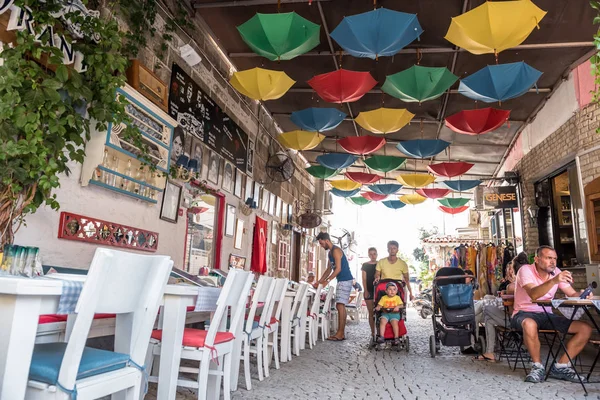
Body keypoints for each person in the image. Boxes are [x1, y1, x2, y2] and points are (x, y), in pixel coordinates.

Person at [513, 245, 592, 383]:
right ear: (537, 259)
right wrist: (555, 280)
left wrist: (583, 294)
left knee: (585, 329)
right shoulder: (525, 270)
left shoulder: (556, 272)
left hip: (546, 314)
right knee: (529, 324)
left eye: (554, 258)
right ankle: (537, 367)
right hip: (523, 313)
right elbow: (534, 294)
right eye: (549, 258)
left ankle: (561, 366)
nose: (553, 262)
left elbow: (572, 294)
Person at [474, 261, 517, 363]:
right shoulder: (512, 284)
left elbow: (509, 304)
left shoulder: (514, 285)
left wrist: (506, 292)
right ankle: (489, 353)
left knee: (485, 305)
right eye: (509, 268)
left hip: (516, 320)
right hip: (510, 315)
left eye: (512, 269)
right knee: (488, 319)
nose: (510, 271)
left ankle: (468, 316)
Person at [315, 232, 354, 341]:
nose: (321, 245)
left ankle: (340, 333)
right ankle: (340, 332)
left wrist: (327, 281)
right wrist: (319, 281)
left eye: (321, 243)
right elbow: (329, 269)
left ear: (327, 240)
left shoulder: (336, 251)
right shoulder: (330, 253)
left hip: (345, 280)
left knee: (340, 306)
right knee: (340, 306)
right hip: (341, 280)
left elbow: (338, 269)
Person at [362, 247, 378, 336]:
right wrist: (366, 290)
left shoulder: (380, 264)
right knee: (371, 312)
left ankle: (380, 331)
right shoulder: (365, 265)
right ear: (368, 255)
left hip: (378, 291)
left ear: (377, 254)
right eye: (371, 254)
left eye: (374, 254)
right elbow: (364, 279)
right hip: (369, 289)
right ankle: (373, 332)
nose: (373, 256)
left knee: (379, 312)